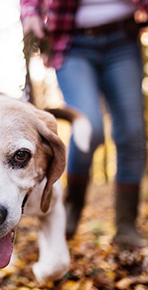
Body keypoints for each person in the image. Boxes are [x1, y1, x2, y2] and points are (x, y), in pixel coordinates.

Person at [20, 0, 148, 247]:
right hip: (71, 42)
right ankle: (71, 208)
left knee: (132, 134)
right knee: (89, 128)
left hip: (124, 38)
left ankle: (126, 226)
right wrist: (30, 14)